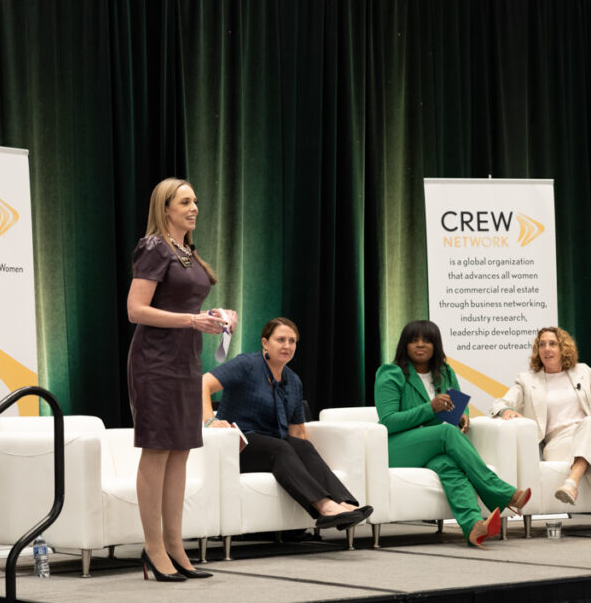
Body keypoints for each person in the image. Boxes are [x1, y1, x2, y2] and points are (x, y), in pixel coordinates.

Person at [127, 177, 239, 582]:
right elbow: (136, 309)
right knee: (157, 451)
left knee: (181, 452)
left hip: (185, 361)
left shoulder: (187, 252)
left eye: (196, 201)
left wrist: (218, 315)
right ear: (166, 208)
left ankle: (175, 545)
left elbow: (187, 305)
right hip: (155, 362)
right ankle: (152, 547)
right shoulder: (155, 247)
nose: (194, 208)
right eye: (185, 202)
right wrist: (192, 320)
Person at [202, 318, 373, 531]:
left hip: (272, 446)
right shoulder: (246, 364)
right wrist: (210, 421)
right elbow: (203, 383)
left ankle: (343, 503)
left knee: (302, 446)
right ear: (265, 342)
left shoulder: (293, 380)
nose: (287, 346)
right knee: (280, 447)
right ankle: (324, 507)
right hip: (237, 446)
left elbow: (297, 431)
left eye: (292, 341)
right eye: (280, 339)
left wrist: (301, 463)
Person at [374, 320, 531, 548]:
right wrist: (431, 407)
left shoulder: (445, 372)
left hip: (432, 446)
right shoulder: (391, 373)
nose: (420, 345)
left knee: (449, 465)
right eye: (414, 340)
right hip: (396, 447)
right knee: (446, 433)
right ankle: (502, 493)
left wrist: (462, 415)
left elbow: (456, 405)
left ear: (435, 345)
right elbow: (388, 421)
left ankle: (474, 526)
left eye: (427, 340)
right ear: (404, 345)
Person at [492, 327, 591, 540]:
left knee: (590, 424)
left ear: (563, 348)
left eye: (552, 344)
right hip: (559, 444)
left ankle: (572, 482)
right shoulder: (527, 381)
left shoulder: (583, 372)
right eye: (542, 344)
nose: (546, 349)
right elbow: (499, 403)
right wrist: (506, 410)